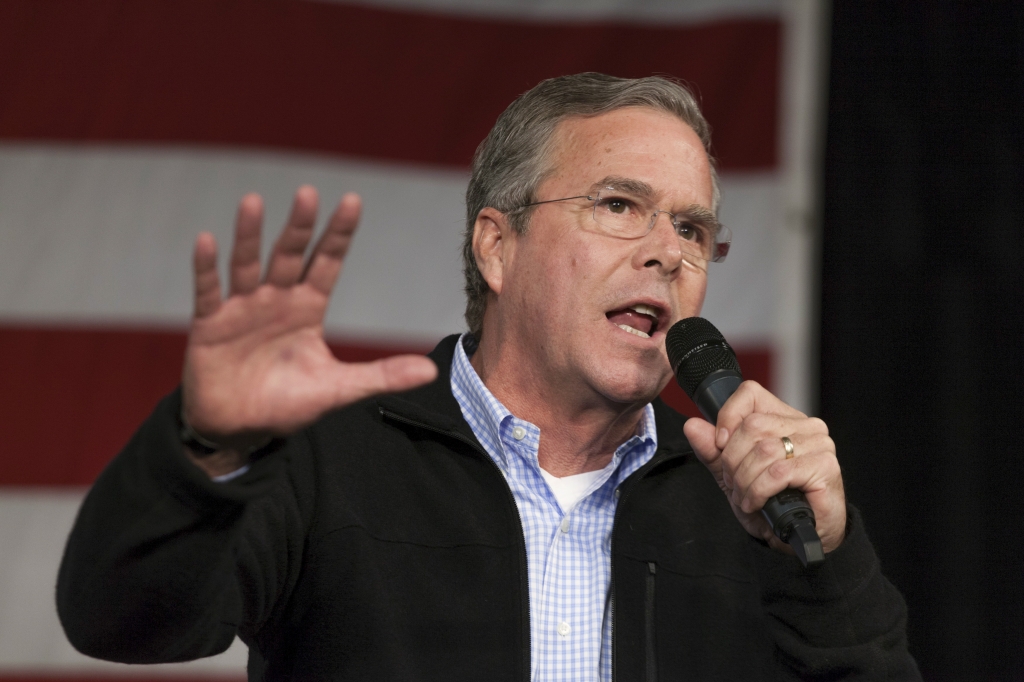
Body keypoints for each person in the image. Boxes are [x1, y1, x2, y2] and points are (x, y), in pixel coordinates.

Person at [57, 73, 919, 680]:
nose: (667, 251)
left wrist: (823, 563)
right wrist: (210, 449)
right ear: (496, 246)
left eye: (693, 229)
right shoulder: (336, 459)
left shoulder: (750, 509)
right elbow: (121, 621)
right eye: (619, 206)